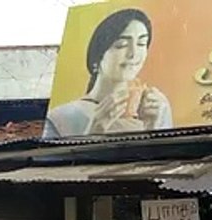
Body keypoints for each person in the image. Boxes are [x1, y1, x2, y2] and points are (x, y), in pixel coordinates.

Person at [44, 8, 173, 137]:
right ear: (97, 56)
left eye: (141, 43)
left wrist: (153, 129)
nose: (133, 54)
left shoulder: (156, 108)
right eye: (121, 45)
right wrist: (95, 131)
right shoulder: (62, 117)